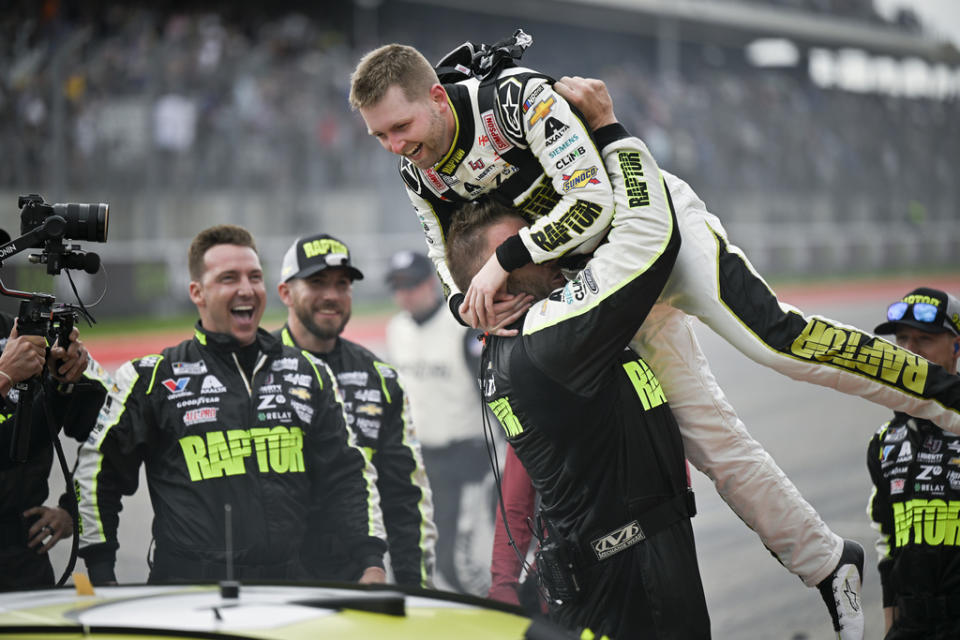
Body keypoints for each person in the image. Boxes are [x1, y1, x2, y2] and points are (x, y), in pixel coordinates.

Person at [351, 40, 871, 638]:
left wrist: (500, 267)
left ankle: (910, 433)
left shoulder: (515, 104)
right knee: (715, 442)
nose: (394, 146)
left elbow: (597, 204)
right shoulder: (421, 177)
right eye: (379, 136)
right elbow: (450, 258)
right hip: (585, 297)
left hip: (626, 242)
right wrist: (471, 304)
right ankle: (828, 563)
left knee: (762, 365)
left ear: (438, 100)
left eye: (400, 127)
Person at [444, 132, 709, 638]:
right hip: (627, 578)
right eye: (519, 251)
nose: (548, 249)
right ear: (488, 283)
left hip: (609, 566)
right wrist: (609, 131)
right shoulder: (553, 341)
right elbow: (652, 238)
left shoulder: (520, 339)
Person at [74, 224, 387, 585]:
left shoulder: (308, 372)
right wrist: (101, 573)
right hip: (188, 591)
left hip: (288, 587)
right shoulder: (152, 377)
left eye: (255, 277)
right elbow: (97, 473)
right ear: (198, 292)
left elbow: (347, 475)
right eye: (228, 278)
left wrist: (371, 560)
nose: (246, 289)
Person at [274, 233, 436, 588]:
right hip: (269, 583)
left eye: (342, 284)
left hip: (355, 576)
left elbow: (405, 494)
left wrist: (415, 586)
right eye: (317, 282)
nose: (332, 295)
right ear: (285, 292)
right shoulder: (255, 367)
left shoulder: (379, 378)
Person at [384, 249, 494, 595]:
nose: (406, 293)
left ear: (430, 283)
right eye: (398, 286)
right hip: (424, 459)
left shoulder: (460, 326)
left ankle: (496, 615)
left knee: (458, 560)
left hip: (469, 457)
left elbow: (493, 393)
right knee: (426, 554)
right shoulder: (396, 330)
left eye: (412, 285)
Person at [866, 286, 960, 639]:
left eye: (923, 339)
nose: (908, 352)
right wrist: (892, 626)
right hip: (912, 626)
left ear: (956, 346)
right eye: (902, 339)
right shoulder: (885, 441)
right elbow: (887, 544)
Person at [0, 315, 107, 591]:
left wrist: (72, 509)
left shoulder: (29, 332)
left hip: (22, 554)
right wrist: (4, 375)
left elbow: (111, 427)